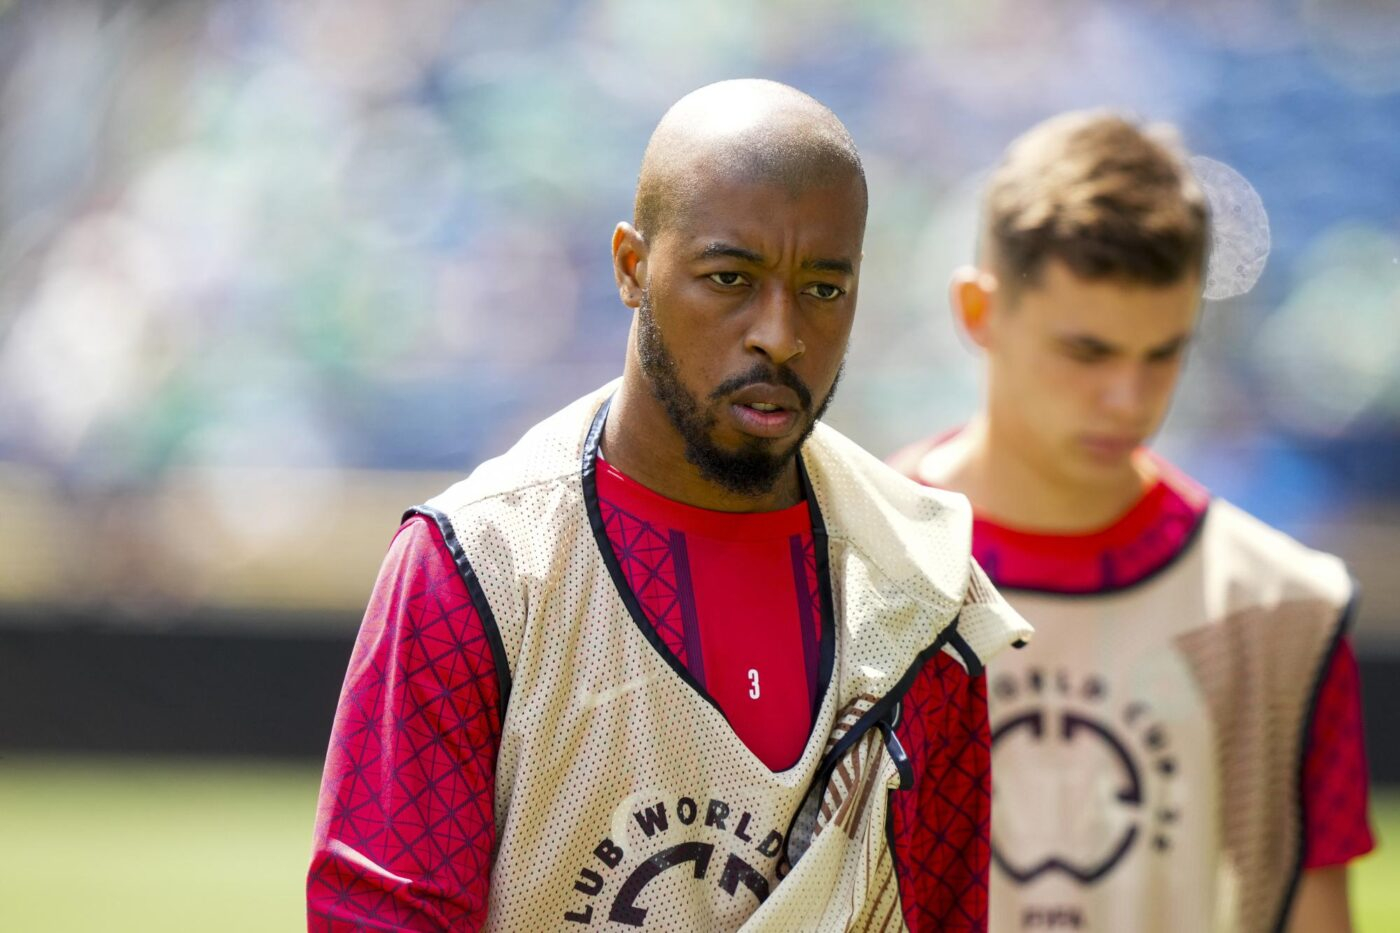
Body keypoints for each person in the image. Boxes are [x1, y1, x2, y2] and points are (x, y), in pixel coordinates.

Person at [307, 79, 1030, 932]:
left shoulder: (926, 594)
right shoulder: (477, 569)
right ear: (631, 267)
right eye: (730, 277)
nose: (780, 334)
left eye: (824, 289)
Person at [890, 111, 1375, 933]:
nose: (1129, 398)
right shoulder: (850, 562)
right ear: (977, 310)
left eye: (1163, 353)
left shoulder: (1281, 608)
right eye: (1087, 352)